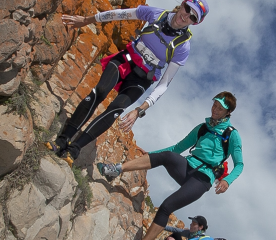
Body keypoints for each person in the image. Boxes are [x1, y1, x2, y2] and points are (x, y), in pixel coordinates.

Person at [45, 0, 209, 166]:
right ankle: (62, 140)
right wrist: (86, 20)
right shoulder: (156, 14)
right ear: (182, 5)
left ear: (195, 23)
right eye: (187, 9)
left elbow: (164, 83)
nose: (186, 16)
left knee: (115, 110)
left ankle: (74, 149)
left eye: (193, 17)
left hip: (142, 78)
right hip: (126, 59)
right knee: (100, 91)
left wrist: (140, 110)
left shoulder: (183, 47)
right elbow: (120, 14)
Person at [97, 91, 244, 240]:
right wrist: (151, 154)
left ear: (228, 112)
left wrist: (227, 180)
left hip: (202, 179)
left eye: (220, 108)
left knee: (166, 207)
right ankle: (117, 169)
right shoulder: (203, 127)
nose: (215, 109)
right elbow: (177, 148)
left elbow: (239, 164)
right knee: (167, 156)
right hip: (187, 166)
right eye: (214, 105)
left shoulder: (232, 135)